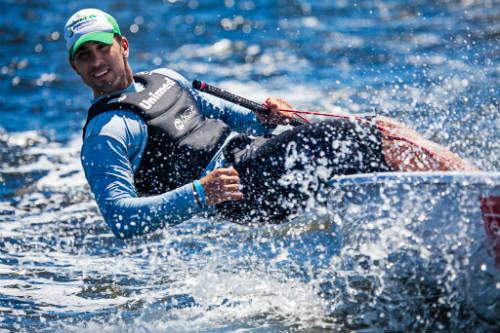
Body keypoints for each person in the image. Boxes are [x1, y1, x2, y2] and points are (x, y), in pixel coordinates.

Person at [65, 8, 476, 239]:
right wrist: (199, 194)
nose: (97, 62)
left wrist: (266, 116)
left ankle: (458, 213)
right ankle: (479, 202)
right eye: (85, 56)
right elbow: (120, 218)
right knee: (377, 136)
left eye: (103, 49)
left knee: (376, 138)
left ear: (123, 45)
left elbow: (230, 116)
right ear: (74, 66)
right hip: (243, 189)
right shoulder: (107, 133)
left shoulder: (165, 78)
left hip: (254, 155)